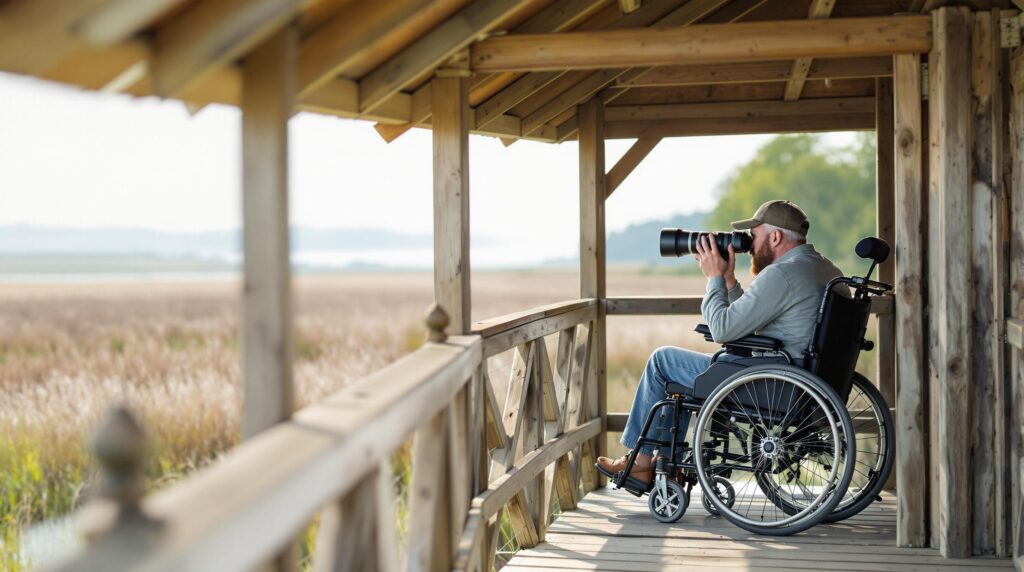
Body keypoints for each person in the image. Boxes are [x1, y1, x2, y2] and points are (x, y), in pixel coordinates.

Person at [596, 200, 844, 484]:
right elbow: (751, 320)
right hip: (801, 383)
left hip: (768, 384)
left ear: (775, 237)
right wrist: (728, 282)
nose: (749, 244)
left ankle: (641, 464)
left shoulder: (782, 274)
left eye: (754, 235)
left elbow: (723, 330)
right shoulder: (825, 269)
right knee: (679, 375)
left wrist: (713, 278)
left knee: (662, 362)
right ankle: (667, 469)